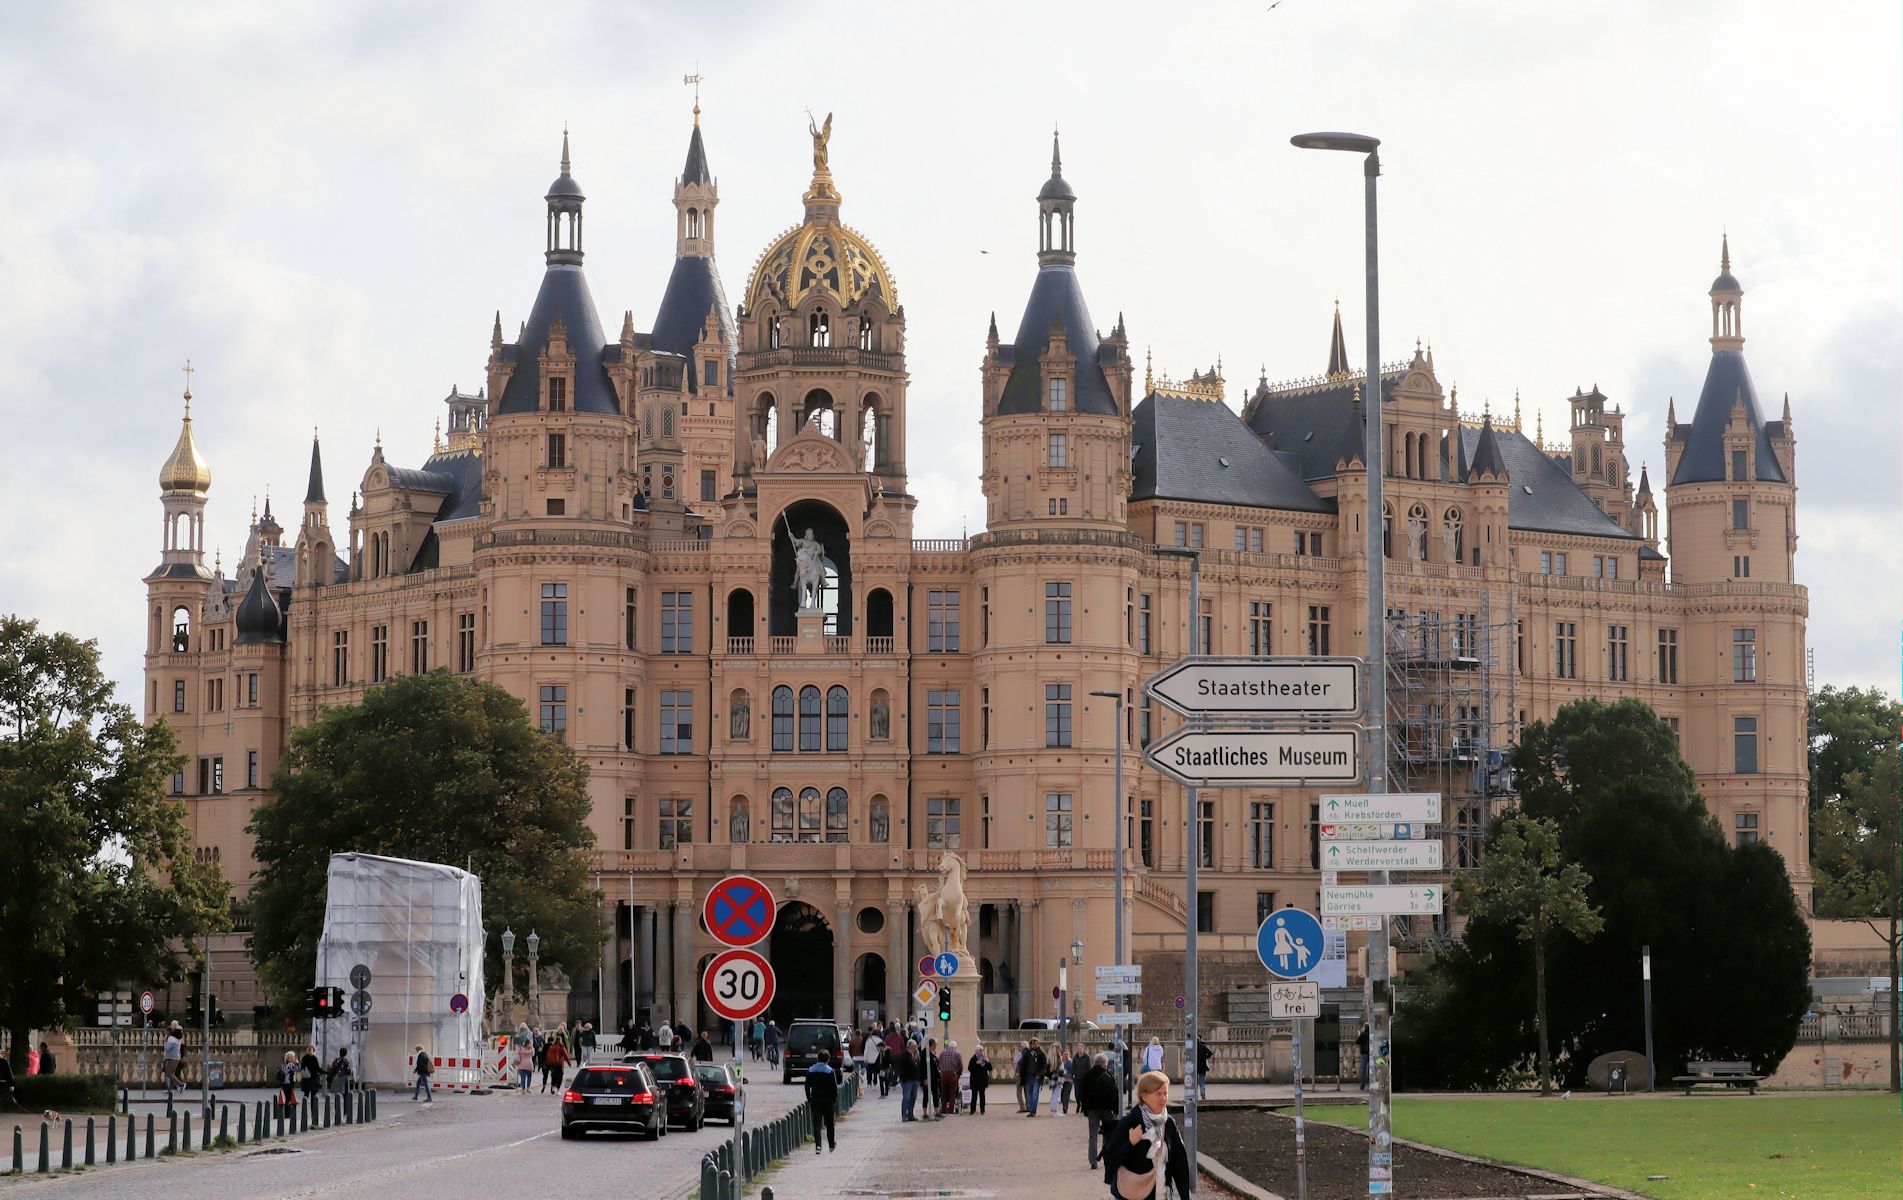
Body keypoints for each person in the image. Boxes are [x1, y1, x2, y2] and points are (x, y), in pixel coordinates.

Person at [1103, 1071, 1191, 1200]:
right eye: (1158, 1094)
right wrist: (1130, 1142)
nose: (1163, 1098)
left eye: (1165, 1093)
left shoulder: (1168, 1123)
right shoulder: (1130, 1122)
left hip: (1162, 1195)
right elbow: (1109, 1159)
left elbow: (1180, 1164)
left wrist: (1185, 1197)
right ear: (1144, 1096)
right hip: (1132, 1195)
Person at [1080, 1052, 1119, 1169]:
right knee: (1108, 1134)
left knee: (1093, 1135)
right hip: (1107, 1109)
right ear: (1104, 1064)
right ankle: (1107, 1157)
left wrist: (1085, 1109)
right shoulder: (1108, 1076)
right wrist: (1115, 1109)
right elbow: (1114, 1094)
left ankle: (1093, 1161)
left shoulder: (1086, 1076)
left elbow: (1082, 1094)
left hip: (1092, 1109)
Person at [804, 1048, 839, 1153]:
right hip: (828, 1101)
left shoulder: (811, 1070)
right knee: (829, 1124)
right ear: (827, 1059)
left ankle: (818, 1146)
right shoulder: (830, 1071)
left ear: (817, 1058)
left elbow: (807, 1086)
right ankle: (831, 1145)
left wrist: (809, 1098)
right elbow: (834, 1088)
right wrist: (833, 1101)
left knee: (817, 1124)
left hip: (816, 1100)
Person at [1021, 1037, 1050, 1117]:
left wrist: (1040, 1075)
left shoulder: (1041, 1053)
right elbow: (1023, 1064)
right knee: (1029, 1095)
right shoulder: (1027, 1053)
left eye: (1036, 1043)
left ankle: (1033, 1111)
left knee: (1034, 1094)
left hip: (1036, 1078)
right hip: (1028, 1077)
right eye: (1033, 1043)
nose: (1034, 1045)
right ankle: (1031, 1109)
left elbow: (1044, 1065)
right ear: (1031, 1044)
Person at [937, 1039, 963, 1115]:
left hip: (943, 1074)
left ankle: (944, 1109)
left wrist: (941, 1071)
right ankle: (951, 1109)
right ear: (955, 1047)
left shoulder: (942, 1053)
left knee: (944, 1092)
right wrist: (959, 1074)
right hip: (952, 1074)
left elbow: (938, 1063)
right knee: (952, 1092)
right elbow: (960, 1065)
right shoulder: (957, 1054)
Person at [896, 1038, 920, 1121]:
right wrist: (902, 1079)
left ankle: (910, 1114)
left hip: (914, 1079)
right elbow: (901, 1068)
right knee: (906, 1097)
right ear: (910, 1046)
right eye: (915, 1046)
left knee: (913, 1097)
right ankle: (904, 1115)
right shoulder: (904, 1055)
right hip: (907, 1080)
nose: (916, 1048)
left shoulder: (914, 1054)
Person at [967, 1044, 991, 1115]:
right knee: (974, 1096)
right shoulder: (973, 1058)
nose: (982, 1051)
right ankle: (972, 1110)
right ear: (977, 1051)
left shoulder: (985, 1058)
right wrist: (976, 1063)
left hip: (982, 1081)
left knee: (982, 1096)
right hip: (975, 1081)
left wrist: (988, 1062)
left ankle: (982, 1110)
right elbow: (970, 1068)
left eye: (982, 1050)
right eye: (980, 1050)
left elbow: (990, 1068)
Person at [161, 1023, 185, 1095]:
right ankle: (170, 1089)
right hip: (175, 1057)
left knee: (169, 1073)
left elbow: (167, 1048)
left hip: (172, 1058)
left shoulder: (172, 1039)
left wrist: (165, 1042)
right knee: (171, 1073)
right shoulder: (178, 1039)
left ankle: (181, 1085)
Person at [1066, 1046, 1089, 1114]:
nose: (1079, 1050)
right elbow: (1073, 1067)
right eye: (1078, 1048)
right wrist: (1072, 1076)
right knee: (1077, 1093)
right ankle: (1079, 1104)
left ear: (1083, 1049)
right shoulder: (1075, 1058)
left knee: (1083, 1093)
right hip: (1077, 1078)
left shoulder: (1086, 1057)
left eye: (1080, 1048)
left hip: (1084, 1078)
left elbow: (1089, 1067)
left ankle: (1083, 1106)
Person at [1194, 1036, 1213, 1101]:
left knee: (1195, 1083)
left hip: (1195, 1067)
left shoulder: (1193, 1048)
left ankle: (1195, 1096)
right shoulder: (1203, 1047)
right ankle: (1203, 1095)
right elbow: (1210, 1053)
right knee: (1202, 1082)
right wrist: (1205, 1057)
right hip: (1202, 1067)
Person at [1014, 1041, 1031, 1112]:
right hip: (1027, 1074)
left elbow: (1015, 1061)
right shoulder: (1030, 1053)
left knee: (1019, 1091)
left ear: (1022, 1047)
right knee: (1027, 1091)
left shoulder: (1020, 1053)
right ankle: (1028, 1107)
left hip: (1020, 1074)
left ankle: (1022, 1107)